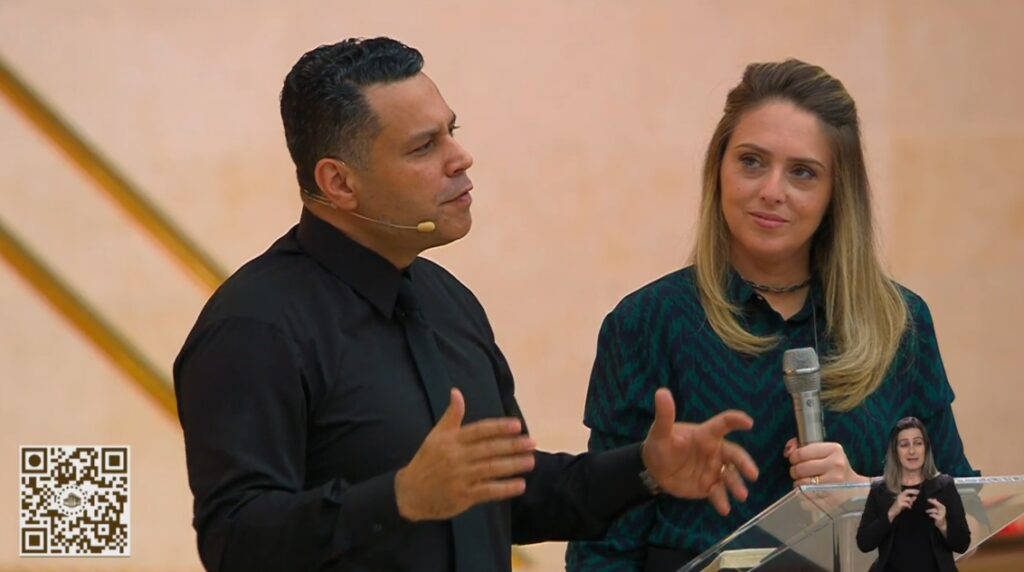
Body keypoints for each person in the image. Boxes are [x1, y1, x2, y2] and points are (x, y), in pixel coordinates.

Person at [173, 37, 760, 572]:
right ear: (340, 183)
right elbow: (234, 542)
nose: (460, 157)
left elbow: (511, 495)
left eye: (450, 131)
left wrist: (644, 469)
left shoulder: (447, 300)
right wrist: (400, 499)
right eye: (424, 146)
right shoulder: (254, 326)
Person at [566, 59, 977, 571]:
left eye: (802, 172)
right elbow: (604, 546)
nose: (772, 191)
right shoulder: (647, 323)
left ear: (837, 193)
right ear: (719, 169)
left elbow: (963, 518)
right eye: (752, 161)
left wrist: (868, 497)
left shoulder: (900, 322)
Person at [856, 417, 970, 571]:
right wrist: (891, 514)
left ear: (926, 448)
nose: (912, 451)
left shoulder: (945, 487)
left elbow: (962, 544)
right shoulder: (880, 490)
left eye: (918, 443)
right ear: (895, 451)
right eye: (904, 445)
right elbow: (864, 543)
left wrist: (943, 525)